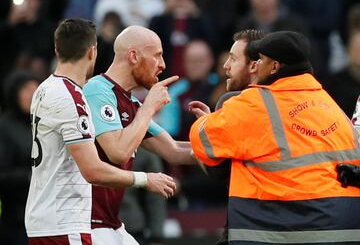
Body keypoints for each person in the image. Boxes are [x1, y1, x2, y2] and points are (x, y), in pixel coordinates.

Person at [189, 31, 360, 244]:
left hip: (287, 230)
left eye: (260, 60)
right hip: (348, 231)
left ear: (274, 67)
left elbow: (202, 141)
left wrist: (207, 119)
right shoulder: (329, 104)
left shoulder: (256, 102)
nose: (255, 66)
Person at [25, 18, 176, 245]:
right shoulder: (74, 97)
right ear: (92, 51)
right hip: (66, 221)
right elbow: (93, 170)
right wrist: (146, 179)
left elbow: (174, 149)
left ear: (57, 50)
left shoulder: (43, 89)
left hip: (48, 217)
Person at [82, 25, 197, 245]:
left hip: (111, 223)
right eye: (157, 56)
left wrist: (220, 142)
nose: (163, 65)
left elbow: (175, 151)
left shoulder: (132, 104)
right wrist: (149, 107)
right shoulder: (97, 90)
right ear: (133, 56)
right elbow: (118, 153)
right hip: (87, 223)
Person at [188, 29, 264, 245]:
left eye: (233, 58)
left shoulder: (234, 103)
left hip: (251, 224)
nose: (225, 66)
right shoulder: (288, 100)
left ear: (253, 65)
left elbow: (217, 169)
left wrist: (206, 127)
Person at [0, 70, 40, 245]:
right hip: (16, 217)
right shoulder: (5, 127)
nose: (32, 94)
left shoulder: (43, 124)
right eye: (26, 89)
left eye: (35, 89)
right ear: (13, 93)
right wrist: (31, 176)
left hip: (45, 216)